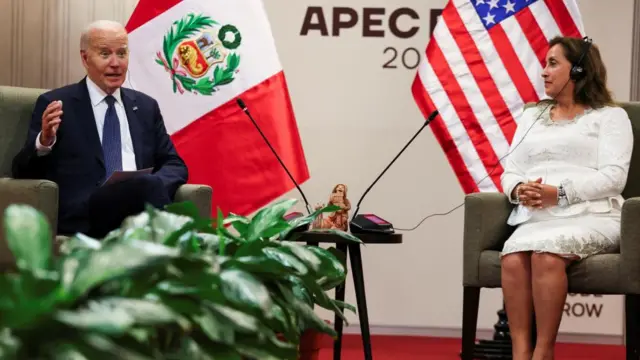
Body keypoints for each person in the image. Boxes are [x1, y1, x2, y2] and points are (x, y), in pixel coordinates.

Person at [500, 36, 633, 360]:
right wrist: (519, 190)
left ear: (577, 70)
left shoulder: (609, 117)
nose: (544, 71)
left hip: (594, 214)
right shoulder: (531, 117)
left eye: (552, 63)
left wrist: (558, 193)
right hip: (537, 217)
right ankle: (520, 353)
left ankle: (543, 353)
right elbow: (510, 169)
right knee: (513, 258)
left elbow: (615, 177)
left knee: (546, 255)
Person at [12, 20, 188, 238]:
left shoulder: (145, 106)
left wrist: (152, 187)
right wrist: (44, 141)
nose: (116, 63)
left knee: (145, 186)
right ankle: (178, 256)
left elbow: (174, 164)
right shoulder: (57, 103)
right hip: (86, 214)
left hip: (139, 206)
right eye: (105, 54)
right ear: (85, 58)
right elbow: (21, 171)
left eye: (122, 54)